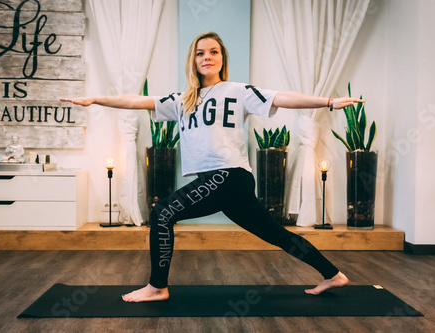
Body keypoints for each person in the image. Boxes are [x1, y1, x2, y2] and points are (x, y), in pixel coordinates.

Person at [61, 32, 364, 303]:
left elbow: (283, 98)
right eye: (200, 52)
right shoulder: (183, 101)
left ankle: (157, 287)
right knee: (276, 234)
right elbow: (138, 101)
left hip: (230, 175)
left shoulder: (238, 90)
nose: (207, 57)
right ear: (193, 59)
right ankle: (332, 274)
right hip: (219, 180)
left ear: (222, 59)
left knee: (162, 213)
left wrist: (328, 102)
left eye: (214, 52)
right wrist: (97, 99)